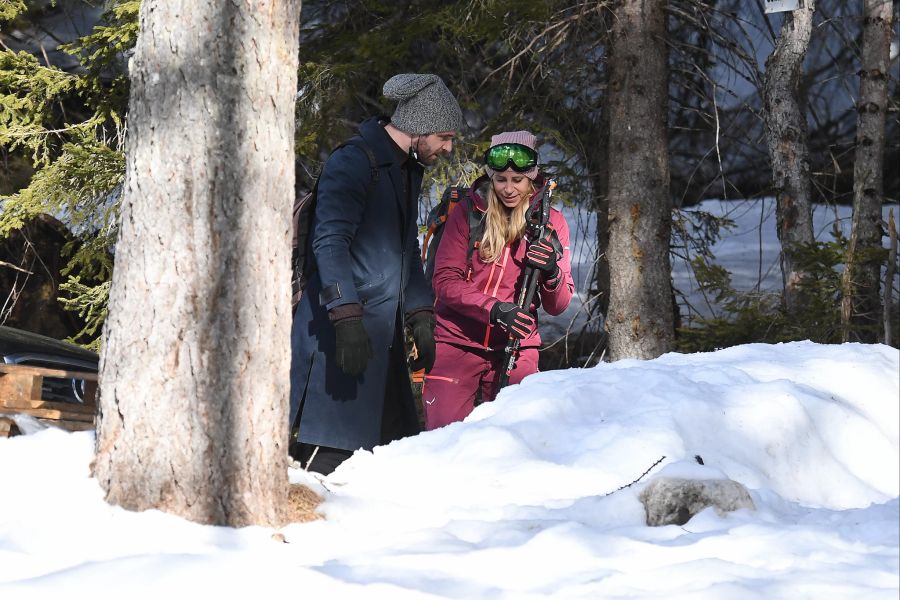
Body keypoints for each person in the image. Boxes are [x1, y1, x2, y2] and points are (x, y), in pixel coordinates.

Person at [289, 73, 463, 474]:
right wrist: (346, 317)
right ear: (418, 128)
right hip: (338, 337)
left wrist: (420, 313)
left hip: (380, 343)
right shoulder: (354, 161)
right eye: (443, 137)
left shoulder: (405, 167)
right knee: (325, 462)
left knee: (387, 463)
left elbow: (403, 249)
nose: (448, 148)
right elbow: (329, 242)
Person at [422, 131, 574, 430]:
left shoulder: (552, 222)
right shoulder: (467, 212)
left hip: (518, 346)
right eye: (500, 179)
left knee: (515, 439)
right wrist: (494, 309)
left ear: (531, 178)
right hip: (456, 342)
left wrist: (552, 272)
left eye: (517, 180)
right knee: (442, 440)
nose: (508, 188)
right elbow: (445, 281)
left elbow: (559, 305)